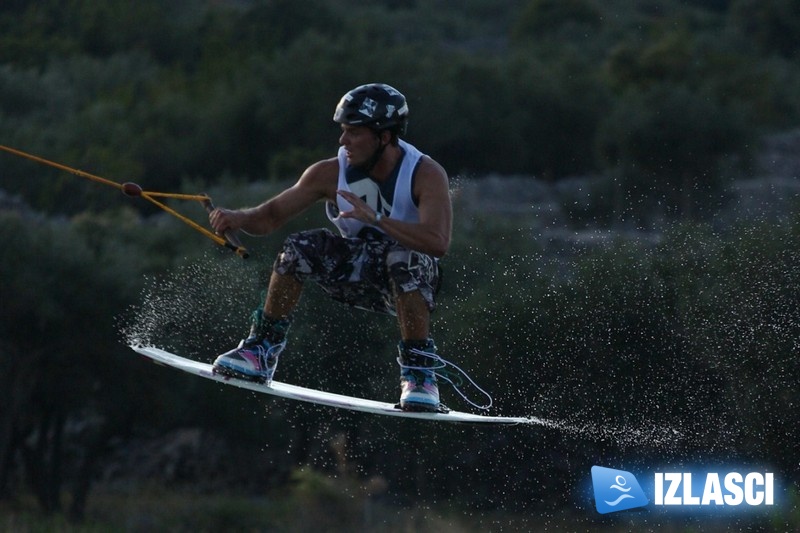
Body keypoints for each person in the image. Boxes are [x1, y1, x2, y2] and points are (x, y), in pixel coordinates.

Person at [208, 83, 452, 412]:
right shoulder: (329, 172)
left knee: (401, 257)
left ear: (383, 136)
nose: (343, 141)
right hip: (356, 274)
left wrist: (377, 218)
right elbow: (269, 218)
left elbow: (437, 243)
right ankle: (261, 349)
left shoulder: (425, 173)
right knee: (299, 246)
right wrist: (237, 218)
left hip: (412, 279)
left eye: (353, 132)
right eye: (342, 131)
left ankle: (420, 374)